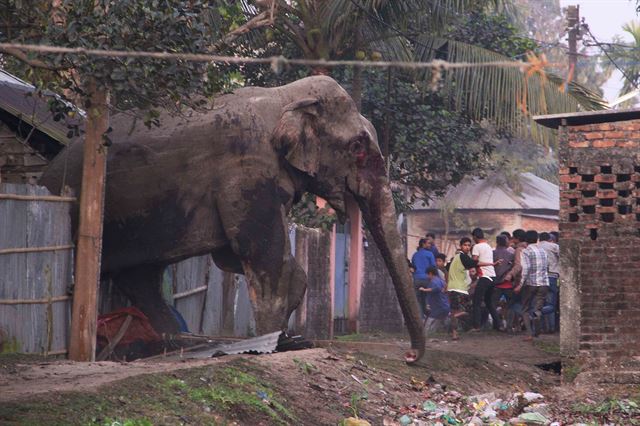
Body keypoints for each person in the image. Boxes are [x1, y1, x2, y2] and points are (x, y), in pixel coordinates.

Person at [518, 230, 550, 341]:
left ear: (526, 240)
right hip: (544, 283)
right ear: (537, 239)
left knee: (525, 308)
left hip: (530, 284)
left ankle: (530, 334)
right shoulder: (543, 251)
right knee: (538, 308)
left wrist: (520, 284)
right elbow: (547, 267)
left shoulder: (526, 251)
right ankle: (537, 317)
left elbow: (525, 269)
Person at [470, 228, 502, 331]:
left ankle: (476, 326)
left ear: (475, 237)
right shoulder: (488, 246)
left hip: (484, 277)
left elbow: (474, 262)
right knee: (489, 302)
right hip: (492, 277)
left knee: (476, 302)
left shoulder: (476, 246)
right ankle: (498, 325)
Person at [446, 237, 477, 339]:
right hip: (459, 288)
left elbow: (448, 268)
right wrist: (491, 263)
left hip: (452, 287)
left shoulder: (456, 258)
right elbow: (474, 263)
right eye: (465, 245)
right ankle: (467, 327)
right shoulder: (462, 257)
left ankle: (454, 334)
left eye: (469, 245)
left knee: (454, 310)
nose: (467, 247)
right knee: (467, 310)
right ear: (461, 246)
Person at [492, 234, 515, 331]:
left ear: (497, 242)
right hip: (508, 284)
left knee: (493, 305)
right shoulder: (511, 254)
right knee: (510, 306)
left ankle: (498, 325)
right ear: (506, 242)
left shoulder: (492, 253)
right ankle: (509, 326)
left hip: (496, 284)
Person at [538, 232, 559, 333]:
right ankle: (551, 327)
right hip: (552, 276)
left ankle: (541, 327)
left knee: (540, 302)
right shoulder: (554, 246)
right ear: (549, 239)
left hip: (538, 278)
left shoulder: (534, 247)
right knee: (551, 304)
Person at [420, 266, 450, 335]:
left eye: (427, 274)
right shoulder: (441, 281)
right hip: (444, 305)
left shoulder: (434, 282)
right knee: (440, 321)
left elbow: (436, 288)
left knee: (429, 322)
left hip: (438, 306)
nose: (427, 276)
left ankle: (424, 334)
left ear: (430, 273)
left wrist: (424, 289)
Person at [411, 238, 436, 319]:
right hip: (427, 279)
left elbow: (413, 267)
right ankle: (429, 319)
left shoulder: (415, 255)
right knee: (427, 299)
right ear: (423, 244)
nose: (430, 245)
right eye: (428, 243)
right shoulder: (430, 254)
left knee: (418, 300)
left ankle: (421, 318)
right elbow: (433, 267)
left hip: (416, 279)